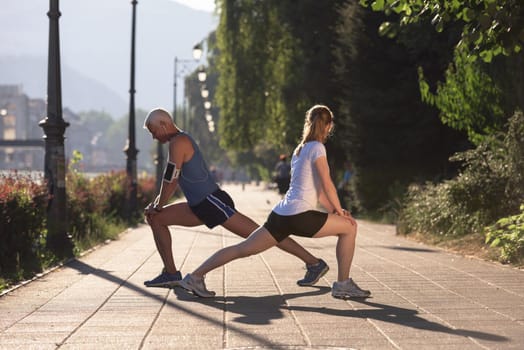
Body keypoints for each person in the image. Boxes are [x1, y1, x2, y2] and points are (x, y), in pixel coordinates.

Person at [180, 105, 370, 299]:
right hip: (300, 215)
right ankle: (343, 284)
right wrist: (340, 210)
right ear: (329, 126)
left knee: (243, 249)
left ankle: (194, 276)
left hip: (281, 215)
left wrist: (336, 211)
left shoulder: (300, 149)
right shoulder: (318, 148)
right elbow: (328, 184)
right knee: (349, 228)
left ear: (308, 123)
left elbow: (319, 192)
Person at [142, 107, 329, 288]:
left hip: (212, 202)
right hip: (198, 205)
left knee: (265, 234)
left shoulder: (179, 141)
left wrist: (158, 204)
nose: (154, 137)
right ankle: (171, 273)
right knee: (156, 219)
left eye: (154, 131)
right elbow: (171, 180)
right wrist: (157, 207)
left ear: (164, 124)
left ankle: (314, 263)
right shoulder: (177, 141)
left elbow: (171, 179)